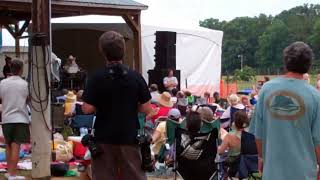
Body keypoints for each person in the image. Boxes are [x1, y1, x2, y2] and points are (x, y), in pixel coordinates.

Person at [82, 31, 153, 180]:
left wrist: (101, 103)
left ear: (102, 51)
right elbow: (147, 109)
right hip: (129, 136)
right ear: (123, 50)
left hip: (103, 137)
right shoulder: (135, 77)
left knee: (104, 176)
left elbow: (87, 108)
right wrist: (132, 105)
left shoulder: (96, 77)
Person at [250, 42, 320, 180]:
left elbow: (258, 135)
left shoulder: (266, 90)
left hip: (272, 172)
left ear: (286, 62)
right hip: (304, 174)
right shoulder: (315, 96)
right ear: (309, 65)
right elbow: (318, 141)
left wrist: (262, 158)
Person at [0, 60, 29, 180]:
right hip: (20, 118)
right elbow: (28, 100)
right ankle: (12, 174)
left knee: (8, 145)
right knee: (16, 146)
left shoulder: (2, 83)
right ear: (21, 69)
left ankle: (9, 172)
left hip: (6, 118)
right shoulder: (25, 84)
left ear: (10, 68)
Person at [218, 111, 249, 177]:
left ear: (235, 122)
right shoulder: (250, 134)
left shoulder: (230, 136)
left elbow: (220, 151)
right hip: (247, 164)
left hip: (233, 164)